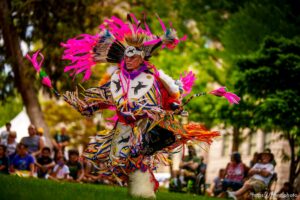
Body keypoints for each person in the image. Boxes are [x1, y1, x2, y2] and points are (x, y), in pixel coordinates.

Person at [27, 13, 239, 198]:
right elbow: (106, 98)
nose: (129, 60)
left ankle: (143, 188)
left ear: (141, 58)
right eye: (127, 56)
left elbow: (174, 92)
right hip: (124, 125)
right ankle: (142, 185)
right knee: (119, 161)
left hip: (146, 123)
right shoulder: (117, 77)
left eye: (134, 56)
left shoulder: (154, 76)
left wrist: (174, 105)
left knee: (140, 153)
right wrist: (89, 107)